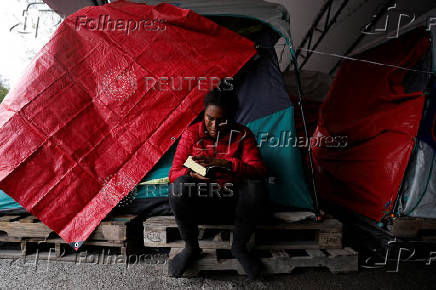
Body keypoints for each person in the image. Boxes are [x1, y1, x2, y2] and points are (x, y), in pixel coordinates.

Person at [168, 88, 269, 279]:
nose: (214, 125)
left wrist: (226, 164)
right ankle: (191, 247)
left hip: (234, 205)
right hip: (201, 204)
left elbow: (259, 170)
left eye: (221, 120)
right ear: (204, 113)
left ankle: (239, 248)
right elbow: (173, 173)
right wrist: (192, 174)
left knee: (255, 186)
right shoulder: (191, 134)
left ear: (232, 117)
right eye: (209, 118)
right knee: (179, 185)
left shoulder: (243, 134)